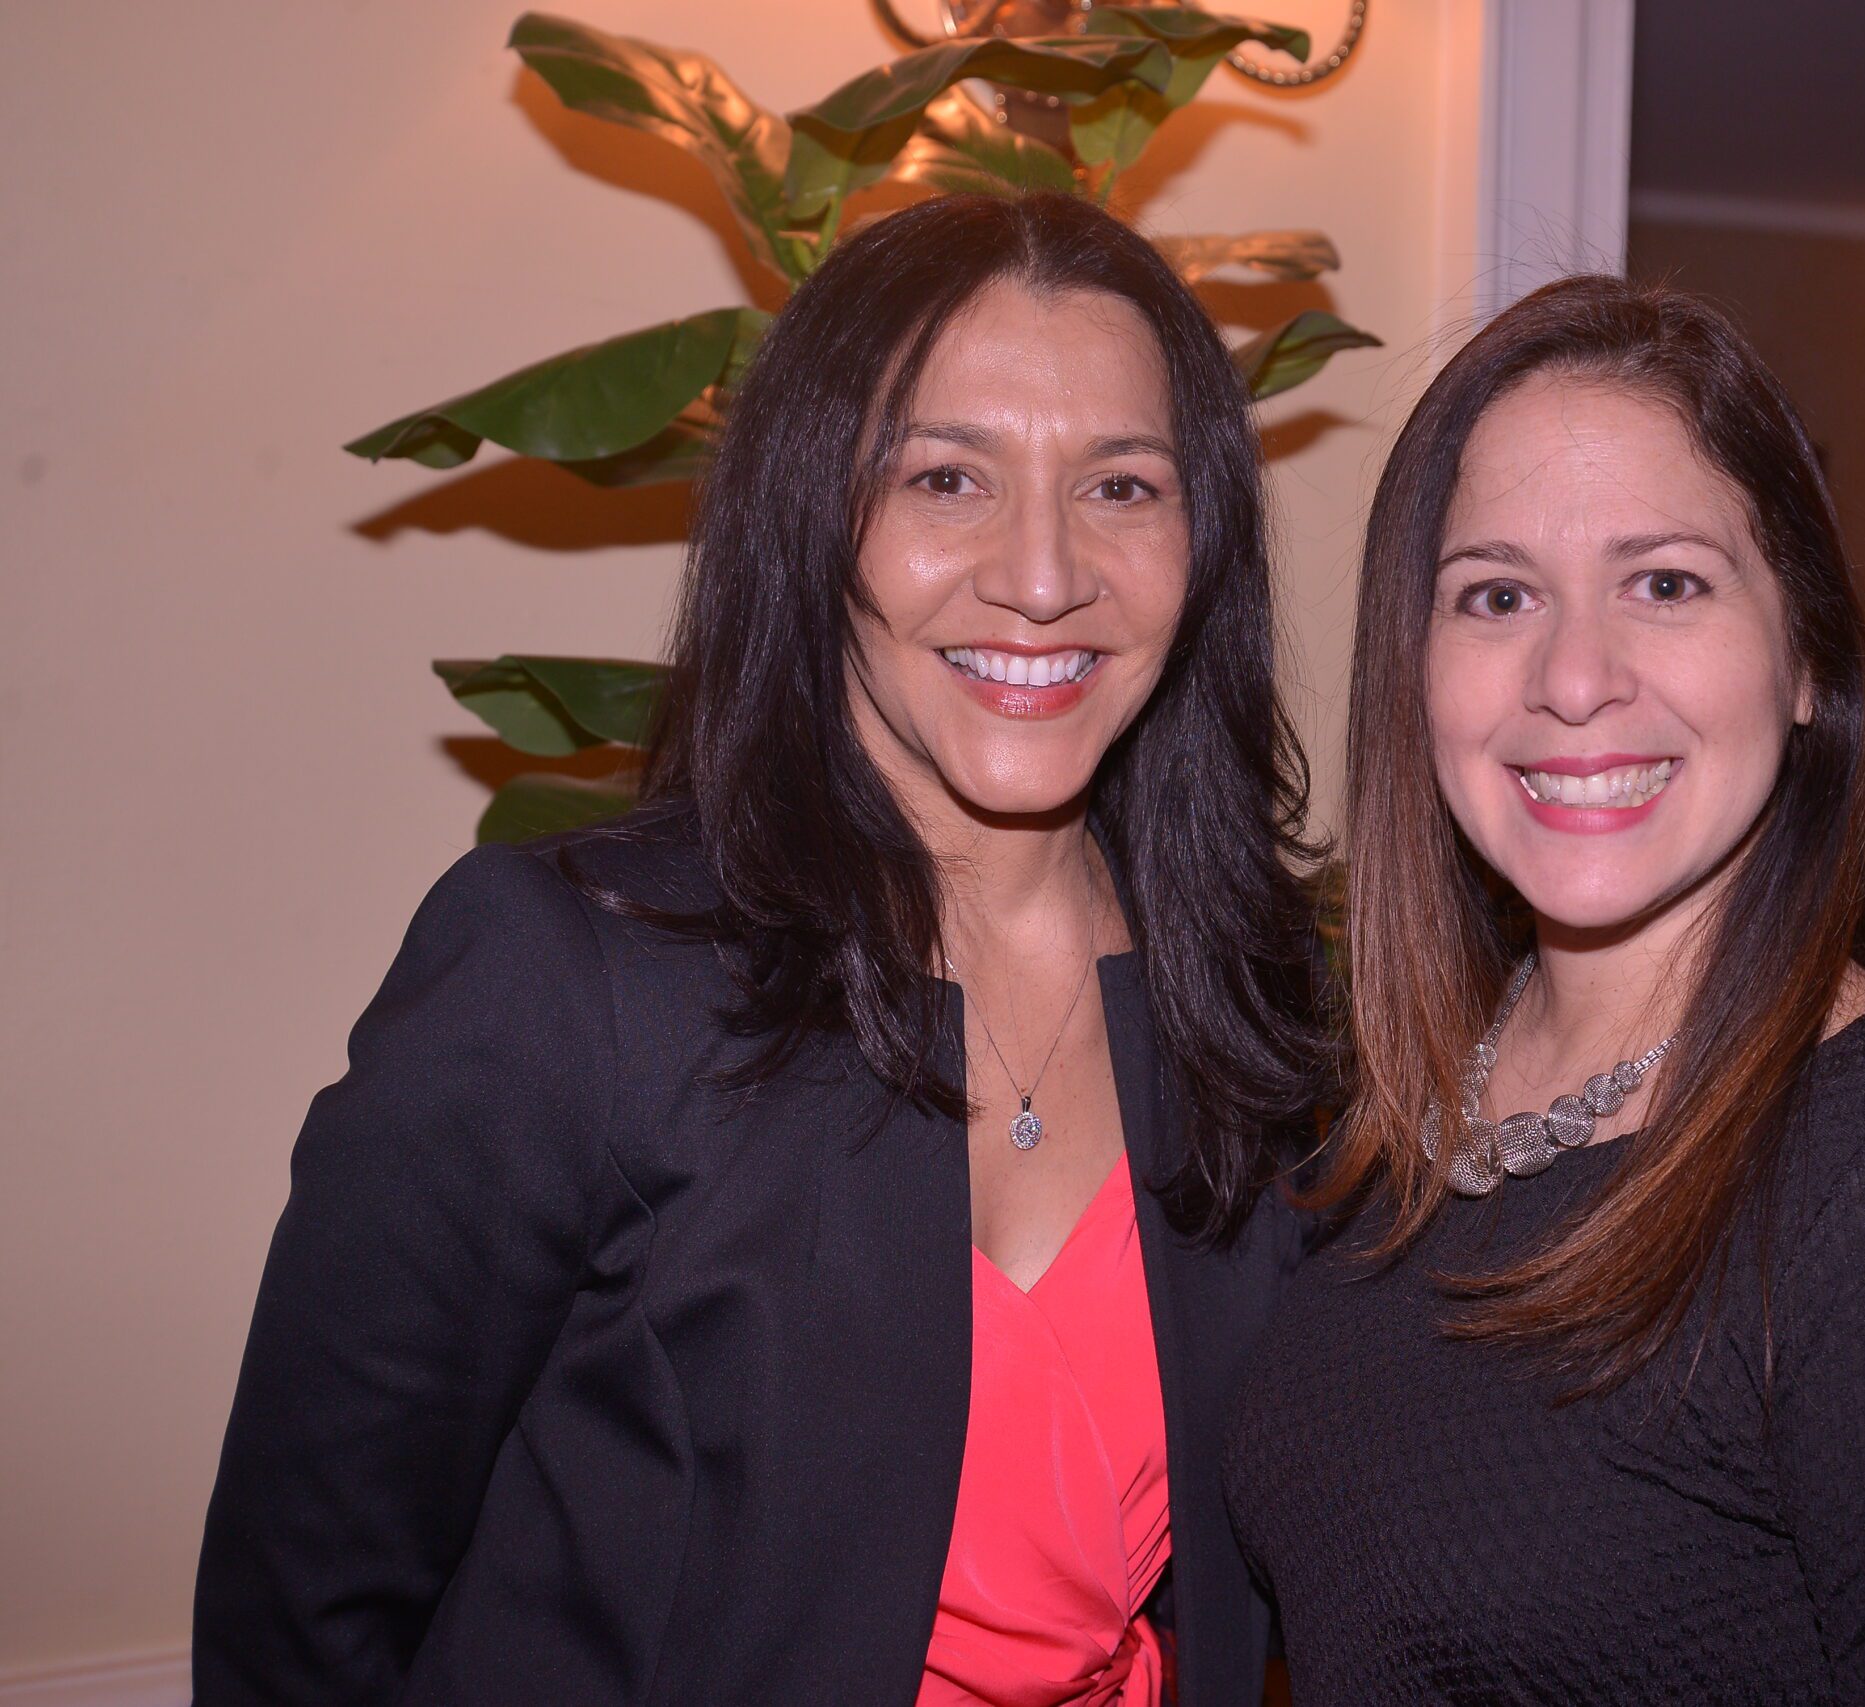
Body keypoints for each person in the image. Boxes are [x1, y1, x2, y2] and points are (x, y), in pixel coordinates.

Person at [195, 192, 1322, 1707]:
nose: (1045, 574)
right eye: (945, 477)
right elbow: (305, 1614)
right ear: (811, 515)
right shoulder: (562, 982)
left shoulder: (1256, 1003)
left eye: (1122, 486)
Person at [1224, 276, 1865, 1704]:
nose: (1575, 678)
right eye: (1497, 595)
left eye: (1665, 583)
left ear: (1807, 658)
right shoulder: (1385, 1112)